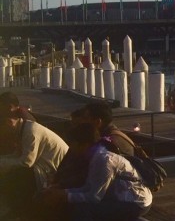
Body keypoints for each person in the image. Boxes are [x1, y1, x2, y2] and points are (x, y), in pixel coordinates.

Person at [37, 122, 151, 221]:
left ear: (84, 144)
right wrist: (63, 191)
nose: (70, 147)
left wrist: (65, 195)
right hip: (118, 196)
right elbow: (89, 187)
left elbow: (94, 197)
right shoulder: (95, 156)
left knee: (83, 209)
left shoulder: (104, 161)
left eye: (73, 144)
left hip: (134, 201)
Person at [0, 91, 69, 219]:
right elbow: (17, 155)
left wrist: (2, 163)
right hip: (42, 165)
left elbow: (27, 162)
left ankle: (18, 212)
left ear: (9, 123)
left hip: (54, 169)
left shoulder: (30, 130)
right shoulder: (21, 128)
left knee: (17, 176)